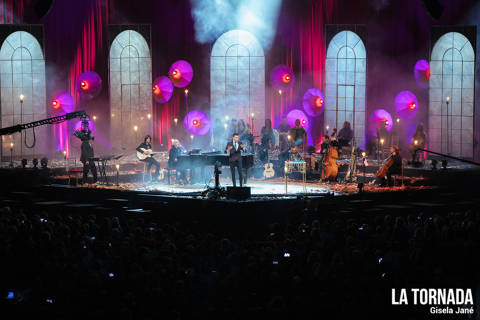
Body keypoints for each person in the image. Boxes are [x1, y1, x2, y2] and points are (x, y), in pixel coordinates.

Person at [74, 119, 97, 184]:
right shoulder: (84, 143)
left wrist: (92, 158)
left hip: (90, 159)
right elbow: (84, 152)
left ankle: (90, 181)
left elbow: (90, 151)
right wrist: (87, 160)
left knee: (92, 170)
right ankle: (85, 182)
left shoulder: (88, 143)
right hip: (87, 160)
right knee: (87, 171)